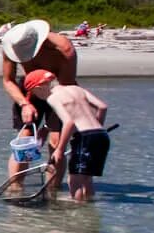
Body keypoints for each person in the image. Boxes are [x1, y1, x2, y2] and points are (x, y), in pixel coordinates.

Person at [0, 19, 76, 177]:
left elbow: (66, 86)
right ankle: (16, 186)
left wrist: (47, 127)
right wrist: (24, 104)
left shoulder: (63, 48)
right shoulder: (12, 44)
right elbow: (8, 81)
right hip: (30, 92)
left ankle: (52, 192)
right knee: (25, 140)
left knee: (56, 141)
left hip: (59, 90)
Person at [24, 69, 110, 202]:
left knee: (74, 180)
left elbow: (69, 122)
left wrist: (59, 149)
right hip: (101, 135)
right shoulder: (76, 89)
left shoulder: (53, 98)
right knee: (87, 178)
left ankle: (78, 210)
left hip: (84, 137)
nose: (38, 97)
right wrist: (97, 129)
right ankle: (89, 207)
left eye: (35, 94)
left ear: (39, 88)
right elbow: (103, 107)